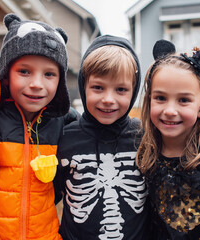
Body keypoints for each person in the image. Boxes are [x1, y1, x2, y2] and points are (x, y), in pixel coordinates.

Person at [0, 13, 77, 240]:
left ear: (60, 81)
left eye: (49, 74)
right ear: (6, 75)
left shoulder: (65, 122)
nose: (36, 84)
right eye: (24, 71)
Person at [54, 35, 150, 240]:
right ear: (83, 86)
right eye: (98, 87)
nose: (108, 99)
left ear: (133, 92)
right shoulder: (65, 137)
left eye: (121, 90)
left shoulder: (145, 138)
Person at [136, 40, 200, 240]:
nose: (170, 111)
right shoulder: (142, 149)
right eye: (160, 98)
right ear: (149, 99)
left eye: (184, 100)